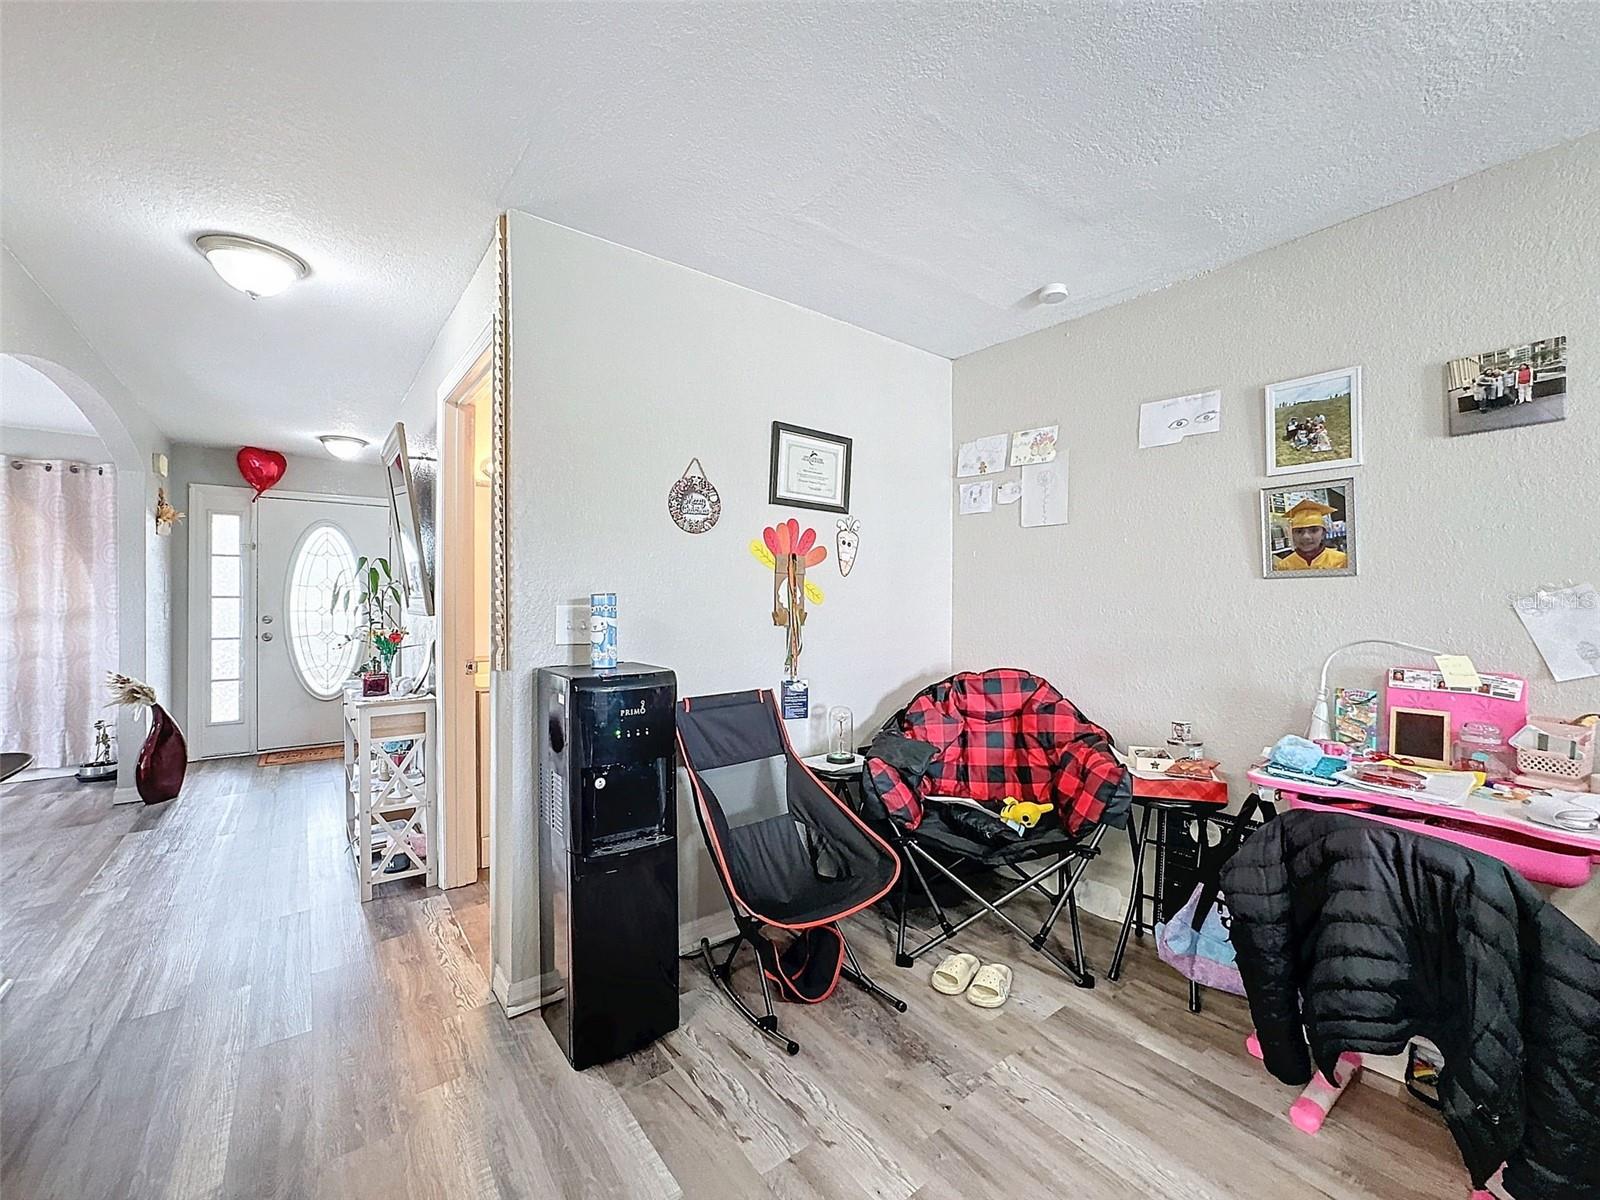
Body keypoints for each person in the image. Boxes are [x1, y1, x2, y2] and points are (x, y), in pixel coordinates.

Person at [1276, 498, 1349, 571]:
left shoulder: (1342, 561)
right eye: (1299, 531)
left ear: (1323, 534)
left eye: (1314, 530)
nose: (1306, 536)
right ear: (1292, 535)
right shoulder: (1283, 566)